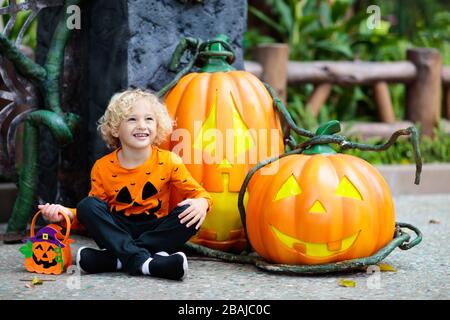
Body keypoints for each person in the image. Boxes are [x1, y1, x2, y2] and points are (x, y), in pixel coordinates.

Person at [38, 89, 212, 280]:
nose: (141, 125)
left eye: (149, 119)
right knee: (88, 205)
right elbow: (93, 214)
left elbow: (200, 194)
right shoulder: (103, 167)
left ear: (158, 125)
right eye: (131, 119)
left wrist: (201, 203)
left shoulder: (170, 161)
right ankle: (149, 262)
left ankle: (117, 258)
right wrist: (66, 214)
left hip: (155, 229)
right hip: (118, 228)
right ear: (115, 129)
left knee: (191, 215)